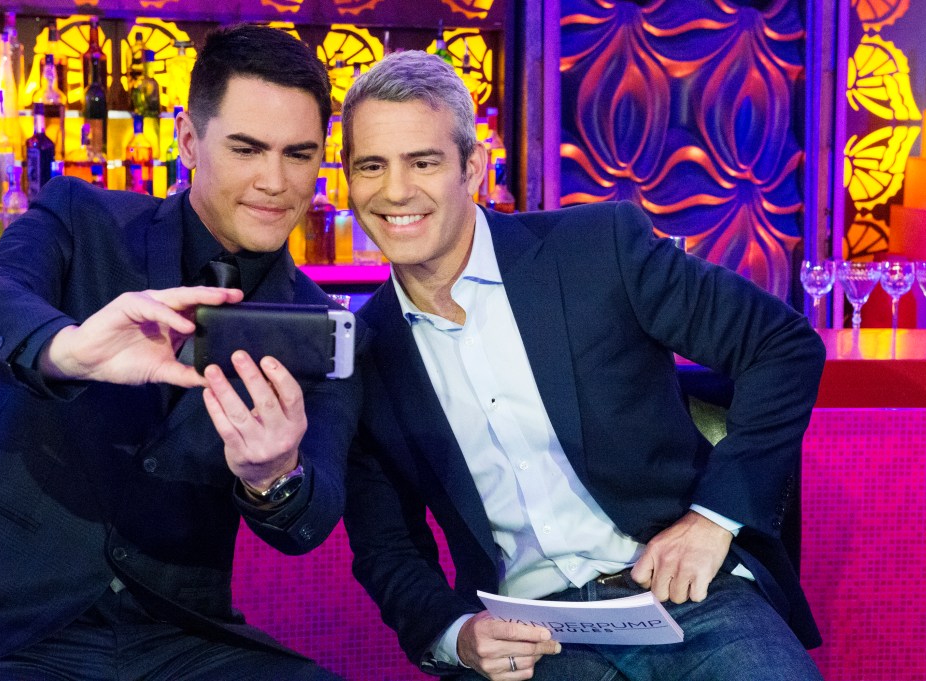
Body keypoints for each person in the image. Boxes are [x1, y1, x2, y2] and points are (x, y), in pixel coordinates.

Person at [340, 51, 826, 681]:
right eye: (371, 166)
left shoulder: (597, 249)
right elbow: (388, 548)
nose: (395, 190)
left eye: (423, 162)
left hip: (690, 598)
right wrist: (458, 635)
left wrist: (712, 521)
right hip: (535, 636)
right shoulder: (364, 350)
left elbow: (782, 345)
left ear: (474, 168)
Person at [0, 25, 358, 680]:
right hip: (9, 624)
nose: (274, 180)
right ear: (187, 139)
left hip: (180, 635)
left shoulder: (322, 323)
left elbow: (309, 518)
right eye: (246, 148)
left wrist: (273, 477)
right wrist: (67, 350)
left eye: (299, 153)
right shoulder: (81, 215)